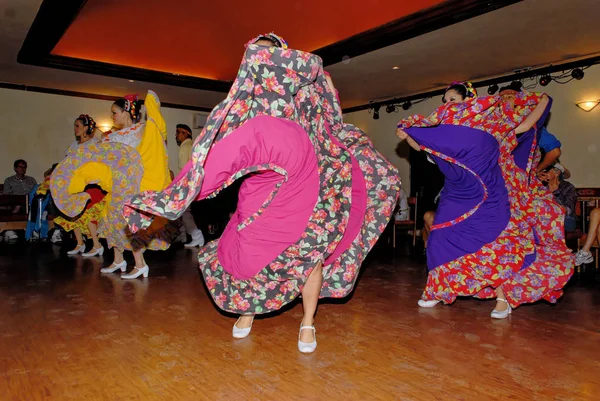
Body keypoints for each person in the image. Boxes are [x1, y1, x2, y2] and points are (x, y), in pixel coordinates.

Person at [122, 33, 399, 353]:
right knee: (248, 247)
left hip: (303, 187)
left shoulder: (301, 100)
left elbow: (322, 129)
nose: (260, 61)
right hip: (260, 191)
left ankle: (308, 321)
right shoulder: (246, 115)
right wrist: (174, 196)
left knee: (311, 251)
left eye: (268, 54)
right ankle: (248, 309)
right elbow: (220, 159)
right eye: (255, 55)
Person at [397, 81, 573, 319]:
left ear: (468, 102)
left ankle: (504, 297)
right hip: (456, 195)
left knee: (495, 245)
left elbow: (525, 125)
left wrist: (542, 103)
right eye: (445, 100)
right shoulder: (441, 131)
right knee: (440, 237)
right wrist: (407, 135)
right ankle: (438, 289)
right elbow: (420, 146)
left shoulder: (490, 125)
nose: (447, 105)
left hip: (489, 195)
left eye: (453, 100)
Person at [51, 92, 174, 279]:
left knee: (129, 222)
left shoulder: (141, 130)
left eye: (114, 112)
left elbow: (153, 144)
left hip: (132, 184)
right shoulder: (111, 137)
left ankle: (140, 264)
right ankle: (118, 260)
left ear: (126, 112)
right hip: (115, 185)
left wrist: (153, 105)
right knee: (110, 221)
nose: (112, 117)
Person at [53, 115, 106, 256]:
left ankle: (97, 245)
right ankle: (80, 243)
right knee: (73, 212)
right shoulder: (74, 145)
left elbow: (99, 164)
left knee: (88, 212)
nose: (75, 129)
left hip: (91, 184)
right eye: (74, 126)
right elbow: (67, 164)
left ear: (86, 128)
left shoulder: (95, 144)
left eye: (77, 126)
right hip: (76, 184)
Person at [175, 124, 205, 247]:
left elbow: (183, 170)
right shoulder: (193, 146)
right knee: (181, 211)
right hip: (193, 183)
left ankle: (197, 235)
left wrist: (180, 186)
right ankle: (184, 236)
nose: (176, 136)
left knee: (184, 212)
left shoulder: (185, 147)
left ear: (185, 133)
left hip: (185, 184)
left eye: (178, 133)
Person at [2, 159, 37, 241]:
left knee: (38, 205)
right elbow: (6, 194)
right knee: (17, 205)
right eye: (20, 167)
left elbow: (36, 191)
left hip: (30, 202)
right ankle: (10, 229)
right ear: (15, 168)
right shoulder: (9, 180)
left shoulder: (31, 180)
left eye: (25, 167)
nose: (23, 169)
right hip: (15, 202)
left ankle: (35, 230)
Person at [540, 163, 577, 231]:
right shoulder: (541, 187)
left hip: (565, 218)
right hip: (543, 217)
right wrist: (538, 184)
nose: (542, 173)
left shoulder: (568, 187)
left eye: (546, 171)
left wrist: (550, 211)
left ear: (557, 173)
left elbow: (568, 208)